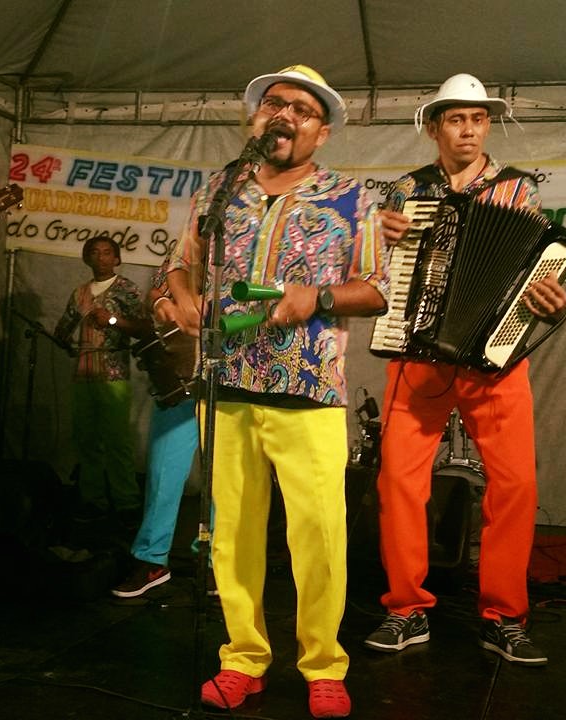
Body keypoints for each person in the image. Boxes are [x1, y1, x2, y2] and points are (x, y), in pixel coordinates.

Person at [166, 65, 389, 719]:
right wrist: (178, 301)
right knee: (231, 533)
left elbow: (377, 288)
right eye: (274, 103)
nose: (285, 113)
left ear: (322, 132)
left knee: (318, 536)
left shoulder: (352, 199)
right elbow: (179, 265)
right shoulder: (219, 189)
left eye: (302, 108)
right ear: (255, 119)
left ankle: (323, 664)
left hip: (309, 389)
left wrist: (317, 297)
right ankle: (242, 657)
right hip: (226, 385)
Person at [364, 73, 566, 666]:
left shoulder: (518, 191)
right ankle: (406, 609)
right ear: (435, 128)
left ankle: (504, 617)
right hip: (418, 355)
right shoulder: (405, 191)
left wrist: (553, 298)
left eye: (478, 119)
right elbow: (375, 276)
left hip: (494, 360)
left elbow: (538, 273)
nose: (470, 130)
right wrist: (380, 240)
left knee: (516, 486)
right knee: (399, 482)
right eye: (457, 119)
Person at [110, 269, 205, 598]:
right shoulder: (182, 256)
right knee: (163, 475)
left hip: (228, 384)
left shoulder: (243, 252)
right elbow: (155, 295)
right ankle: (152, 559)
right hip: (179, 383)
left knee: (225, 483)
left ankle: (215, 562)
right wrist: (165, 301)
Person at [53, 234, 149, 523]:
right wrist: (66, 340)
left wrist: (112, 320)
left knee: (117, 441)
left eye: (107, 253)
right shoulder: (80, 293)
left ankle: (126, 502)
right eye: (95, 252)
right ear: (87, 258)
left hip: (113, 374)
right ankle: (93, 499)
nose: (101, 257)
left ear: (117, 258)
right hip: (83, 374)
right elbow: (62, 329)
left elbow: (144, 328)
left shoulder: (126, 289)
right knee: (86, 440)